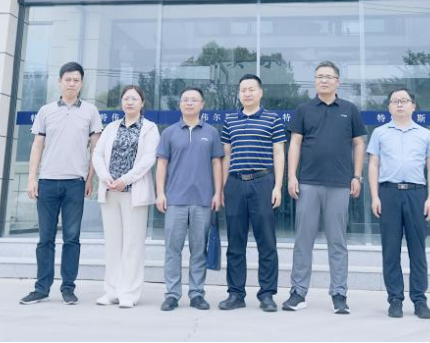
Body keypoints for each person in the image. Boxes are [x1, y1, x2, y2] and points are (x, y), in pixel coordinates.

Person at [283, 61, 366, 315]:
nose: (324, 80)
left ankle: (339, 294)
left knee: (337, 241)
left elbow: (359, 144)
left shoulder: (350, 110)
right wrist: (291, 176)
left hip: (340, 184)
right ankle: (298, 292)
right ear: (315, 81)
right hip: (308, 183)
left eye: (329, 76)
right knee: (303, 240)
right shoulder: (304, 110)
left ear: (337, 81)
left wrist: (357, 176)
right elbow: (295, 143)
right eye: (320, 76)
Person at [20, 61, 102, 306]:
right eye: (68, 79)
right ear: (59, 82)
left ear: (81, 83)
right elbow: (37, 146)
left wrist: (90, 178)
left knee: (72, 238)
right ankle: (41, 288)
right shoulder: (46, 111)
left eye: (76, 80)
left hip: (75, 183)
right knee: (45, 238)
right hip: (47, 182)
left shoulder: (90, 111)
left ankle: (68, 288)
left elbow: (96, 148)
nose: (72, 83)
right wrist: (32, 178)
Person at [368, 86, 430, 320]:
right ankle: (395, 299)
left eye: (404, 100)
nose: (399, 104)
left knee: (418, 250)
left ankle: (419, 300)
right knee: (390, 250)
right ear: (389, 107)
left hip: (416, 194)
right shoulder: (379, 133)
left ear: (413, 106)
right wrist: (375, 196)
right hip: (388, 194)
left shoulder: (425, 134)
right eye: (395, 101)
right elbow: (373, 165)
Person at [218, 74, 287, 313]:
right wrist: (223, 187)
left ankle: (267, 294)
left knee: (266, 241)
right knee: (235, 242)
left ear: (260, 92)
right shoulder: (230, 121)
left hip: (262, 182)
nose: (246, 93)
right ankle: (235, 294)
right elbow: (226, 156)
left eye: (251, 89)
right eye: (243, 90)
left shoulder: (273, 119)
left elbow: (279, 153)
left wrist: (277, 186)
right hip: (235, 184)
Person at [156, 87, 223, 312]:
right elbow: (161, 164)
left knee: (199, 250)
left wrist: (218, 192)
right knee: (172, 250)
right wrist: (160, 193)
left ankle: (196, 294)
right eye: (185, 99)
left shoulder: (211, 132)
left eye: (194, 100)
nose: (189, 103)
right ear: (180, 104)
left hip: (203, 200)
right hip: (175, 199)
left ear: (202, 104)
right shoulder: (169, 133)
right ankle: (172, 294)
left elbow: (217, 163)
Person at [92, 85, 159, 308]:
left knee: (132, 244)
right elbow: (97, 155)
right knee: (113, 244)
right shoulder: (111, 127)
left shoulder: (150, 128)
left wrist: (126, 180)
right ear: (121, 102)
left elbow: (148, 160)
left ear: (142, 103)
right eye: (126, 98)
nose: (129, 102)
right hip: (110, 191)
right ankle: (111, 291)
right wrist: (105, 177)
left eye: (134, 99)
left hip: (134, 193)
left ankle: (128, 293)